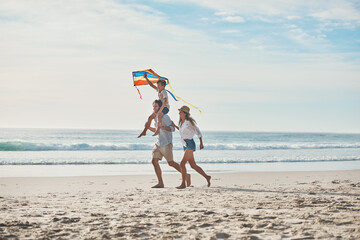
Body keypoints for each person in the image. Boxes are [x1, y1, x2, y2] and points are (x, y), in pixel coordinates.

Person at [148, 100, 191, 188]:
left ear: (160, 108)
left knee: (171, 163)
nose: (154, 108)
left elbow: (172, 128)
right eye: (153, 106)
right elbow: (157, 129)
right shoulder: (156, 117)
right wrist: (148, 127)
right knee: (154, 161)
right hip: (158, 143)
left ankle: (186, 175)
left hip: (166, 143)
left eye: (155, 106)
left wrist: (162, 127)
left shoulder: (165, 117)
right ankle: (160, 183)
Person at [176, 106, 211, 189]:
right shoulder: (181, 122)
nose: (179, 113)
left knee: (182, 164)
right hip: (185, 144)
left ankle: (183, 184)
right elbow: (182, 132)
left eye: (180, 112)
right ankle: (207, 177)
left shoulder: (189, 122)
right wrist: (174, 125)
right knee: (193, 165)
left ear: (185, 113)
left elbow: (197, 131)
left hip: (190, 144)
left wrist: (201, 143)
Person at [137, 73, 169, 138]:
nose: (157, 87)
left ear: (163, 86)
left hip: (165, 107)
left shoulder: (164, 92)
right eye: (157, 85)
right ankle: (144, 131)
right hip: (160, 107)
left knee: (158, 117)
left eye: (159, 86)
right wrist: (146, 78)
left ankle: (158, 130)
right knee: (150, 117)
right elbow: (151, 85)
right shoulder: (159, 90)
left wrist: (160, 110)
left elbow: (165, 101)